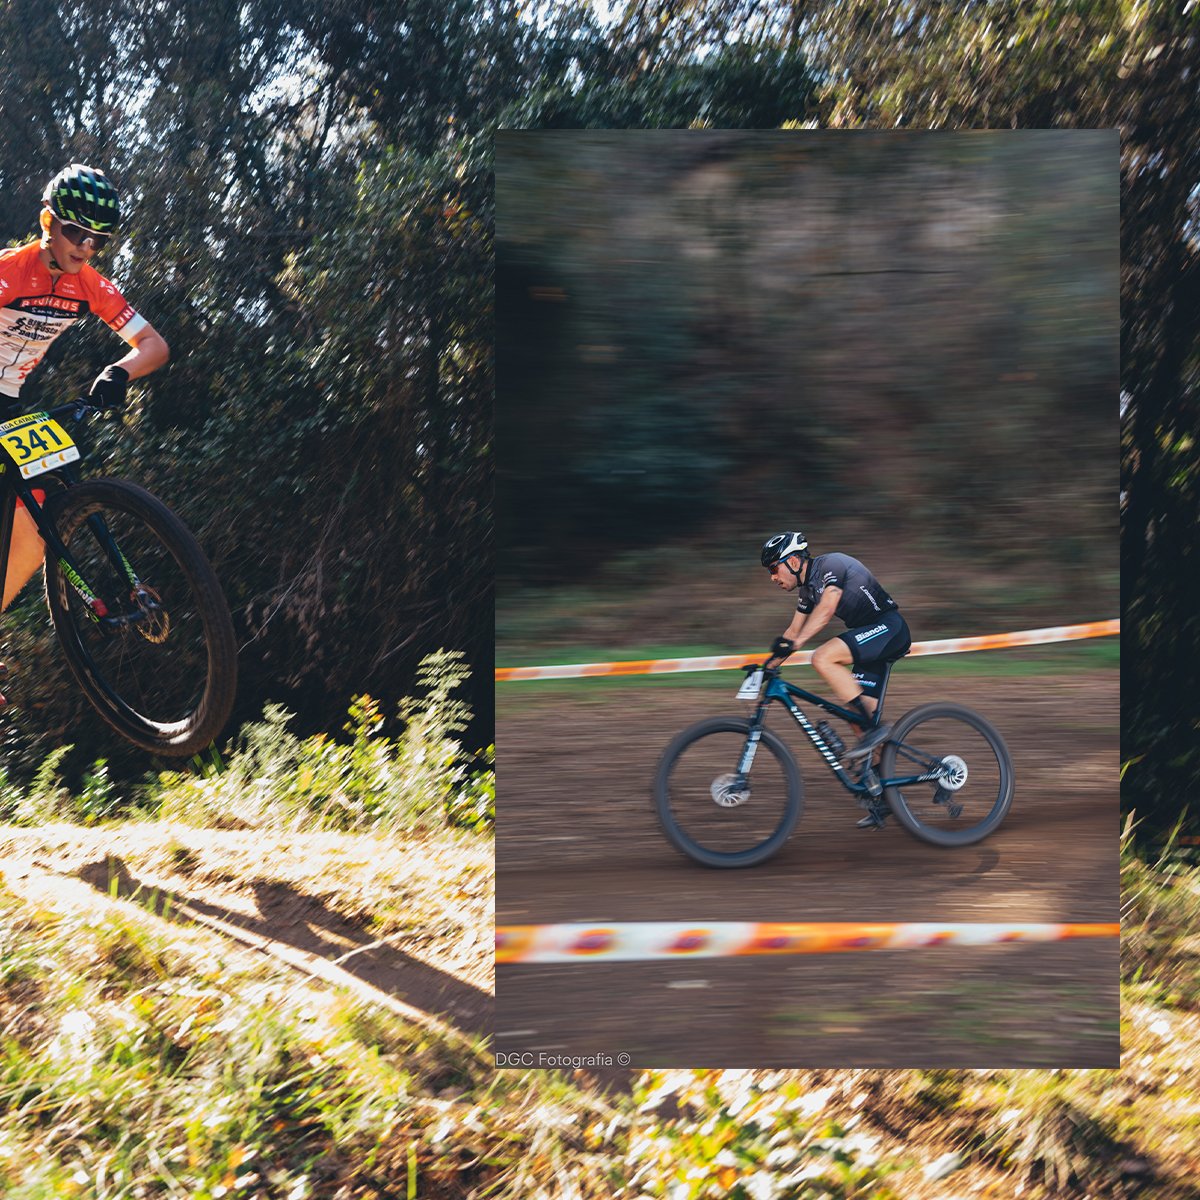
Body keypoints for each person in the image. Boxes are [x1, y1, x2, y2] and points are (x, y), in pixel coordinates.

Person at [0, 163, 168, 704]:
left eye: (98, 240)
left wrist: (120, 372)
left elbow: (154, 346)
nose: (85, 246)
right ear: (48, 222)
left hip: (8, 401)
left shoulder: (88, 285)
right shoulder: (9, 270)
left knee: (36, 511)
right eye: (76, 232)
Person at [760, 531, 912, 821]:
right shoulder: (807, 591)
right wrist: (767, 666)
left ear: (792, 561)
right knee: (858, 722)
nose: (772, 577)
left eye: (773, 569)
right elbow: (792, 632)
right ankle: (885, 798)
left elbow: (828, 609)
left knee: (823, 657)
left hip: (888, 628)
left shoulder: (831, 565)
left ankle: (875, 731)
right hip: (871, 642)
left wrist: (797, 645)